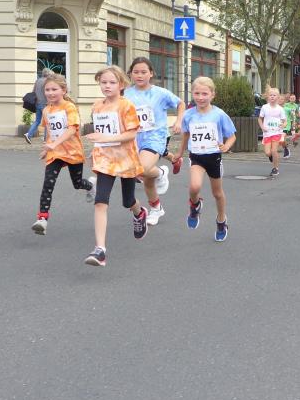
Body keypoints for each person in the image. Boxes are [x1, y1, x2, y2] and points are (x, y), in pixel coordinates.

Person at [83, 66, 147, 267]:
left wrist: (106, 138)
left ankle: (139, 213)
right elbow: (100, 133)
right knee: (100, 202)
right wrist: (94, 150)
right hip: (105, 160)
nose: (107, 86)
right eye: (103, 82)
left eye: (112, 82)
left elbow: (131, 134)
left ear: (121, 84)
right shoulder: (97, 106)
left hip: (125, 159)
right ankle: (100, 250)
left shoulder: (126, 105)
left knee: (128, 201)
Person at [122, 57, 185, 226]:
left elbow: (180, 104)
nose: (139, 75)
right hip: (134, 138)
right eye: (136, 72)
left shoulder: (160, 93)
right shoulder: (125, 94)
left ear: (151, 74)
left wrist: (178, 121)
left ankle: (161, 173)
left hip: (155, 136)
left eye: (143, 72)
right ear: (130, 74)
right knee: (147, 179)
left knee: (141, 169)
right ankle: (156, 208)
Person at [173, 76, 236, 242]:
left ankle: (221, 221)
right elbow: (186, 135)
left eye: (204, 94)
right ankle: (195, 206)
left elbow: (232, 136)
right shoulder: (188, 115)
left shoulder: (219, 114)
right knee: (194, 187)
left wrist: (226, 146)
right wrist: (179, 152)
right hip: (196, 157)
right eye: (197, 93)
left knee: (217, 193)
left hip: (214, 158)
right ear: (192, 93)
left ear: (212, 95)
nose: (200, 97)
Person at [31, 73, 94, 235]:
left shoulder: (69, 107)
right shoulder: (46, 110)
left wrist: (54, 144)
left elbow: (72, 129)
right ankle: (42, 219)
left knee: (77, 183)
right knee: (48, 184)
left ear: (63, 90)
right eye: (47, 90)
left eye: (54, 89)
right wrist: (47, 148)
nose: (50, 93)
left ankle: (90, 186)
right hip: (55, 153)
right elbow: (50, 131)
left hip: (72, 151)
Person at [258, 87, 287, 177]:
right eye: (270, 95)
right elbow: (260, 119)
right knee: (267, 153)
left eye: (274, 95)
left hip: (276, 132)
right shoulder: (264, 107)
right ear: (268, 96)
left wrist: (283, 125)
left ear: (278, 97)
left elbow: (285, 121)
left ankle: (275, 168)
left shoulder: (280, 109)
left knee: (274, 150)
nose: (272, 97)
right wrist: (262, 127)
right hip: (267, 133)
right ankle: (271, 156)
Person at [24, 68, 53, 144]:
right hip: (45, 104)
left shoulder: (37, 81)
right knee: (47, 122)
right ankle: (46, 139)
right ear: (49, 74)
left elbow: (33, 92)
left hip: (37, 103)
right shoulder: (48, 81)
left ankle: (28, 134)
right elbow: (48, 93)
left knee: (37, 121)